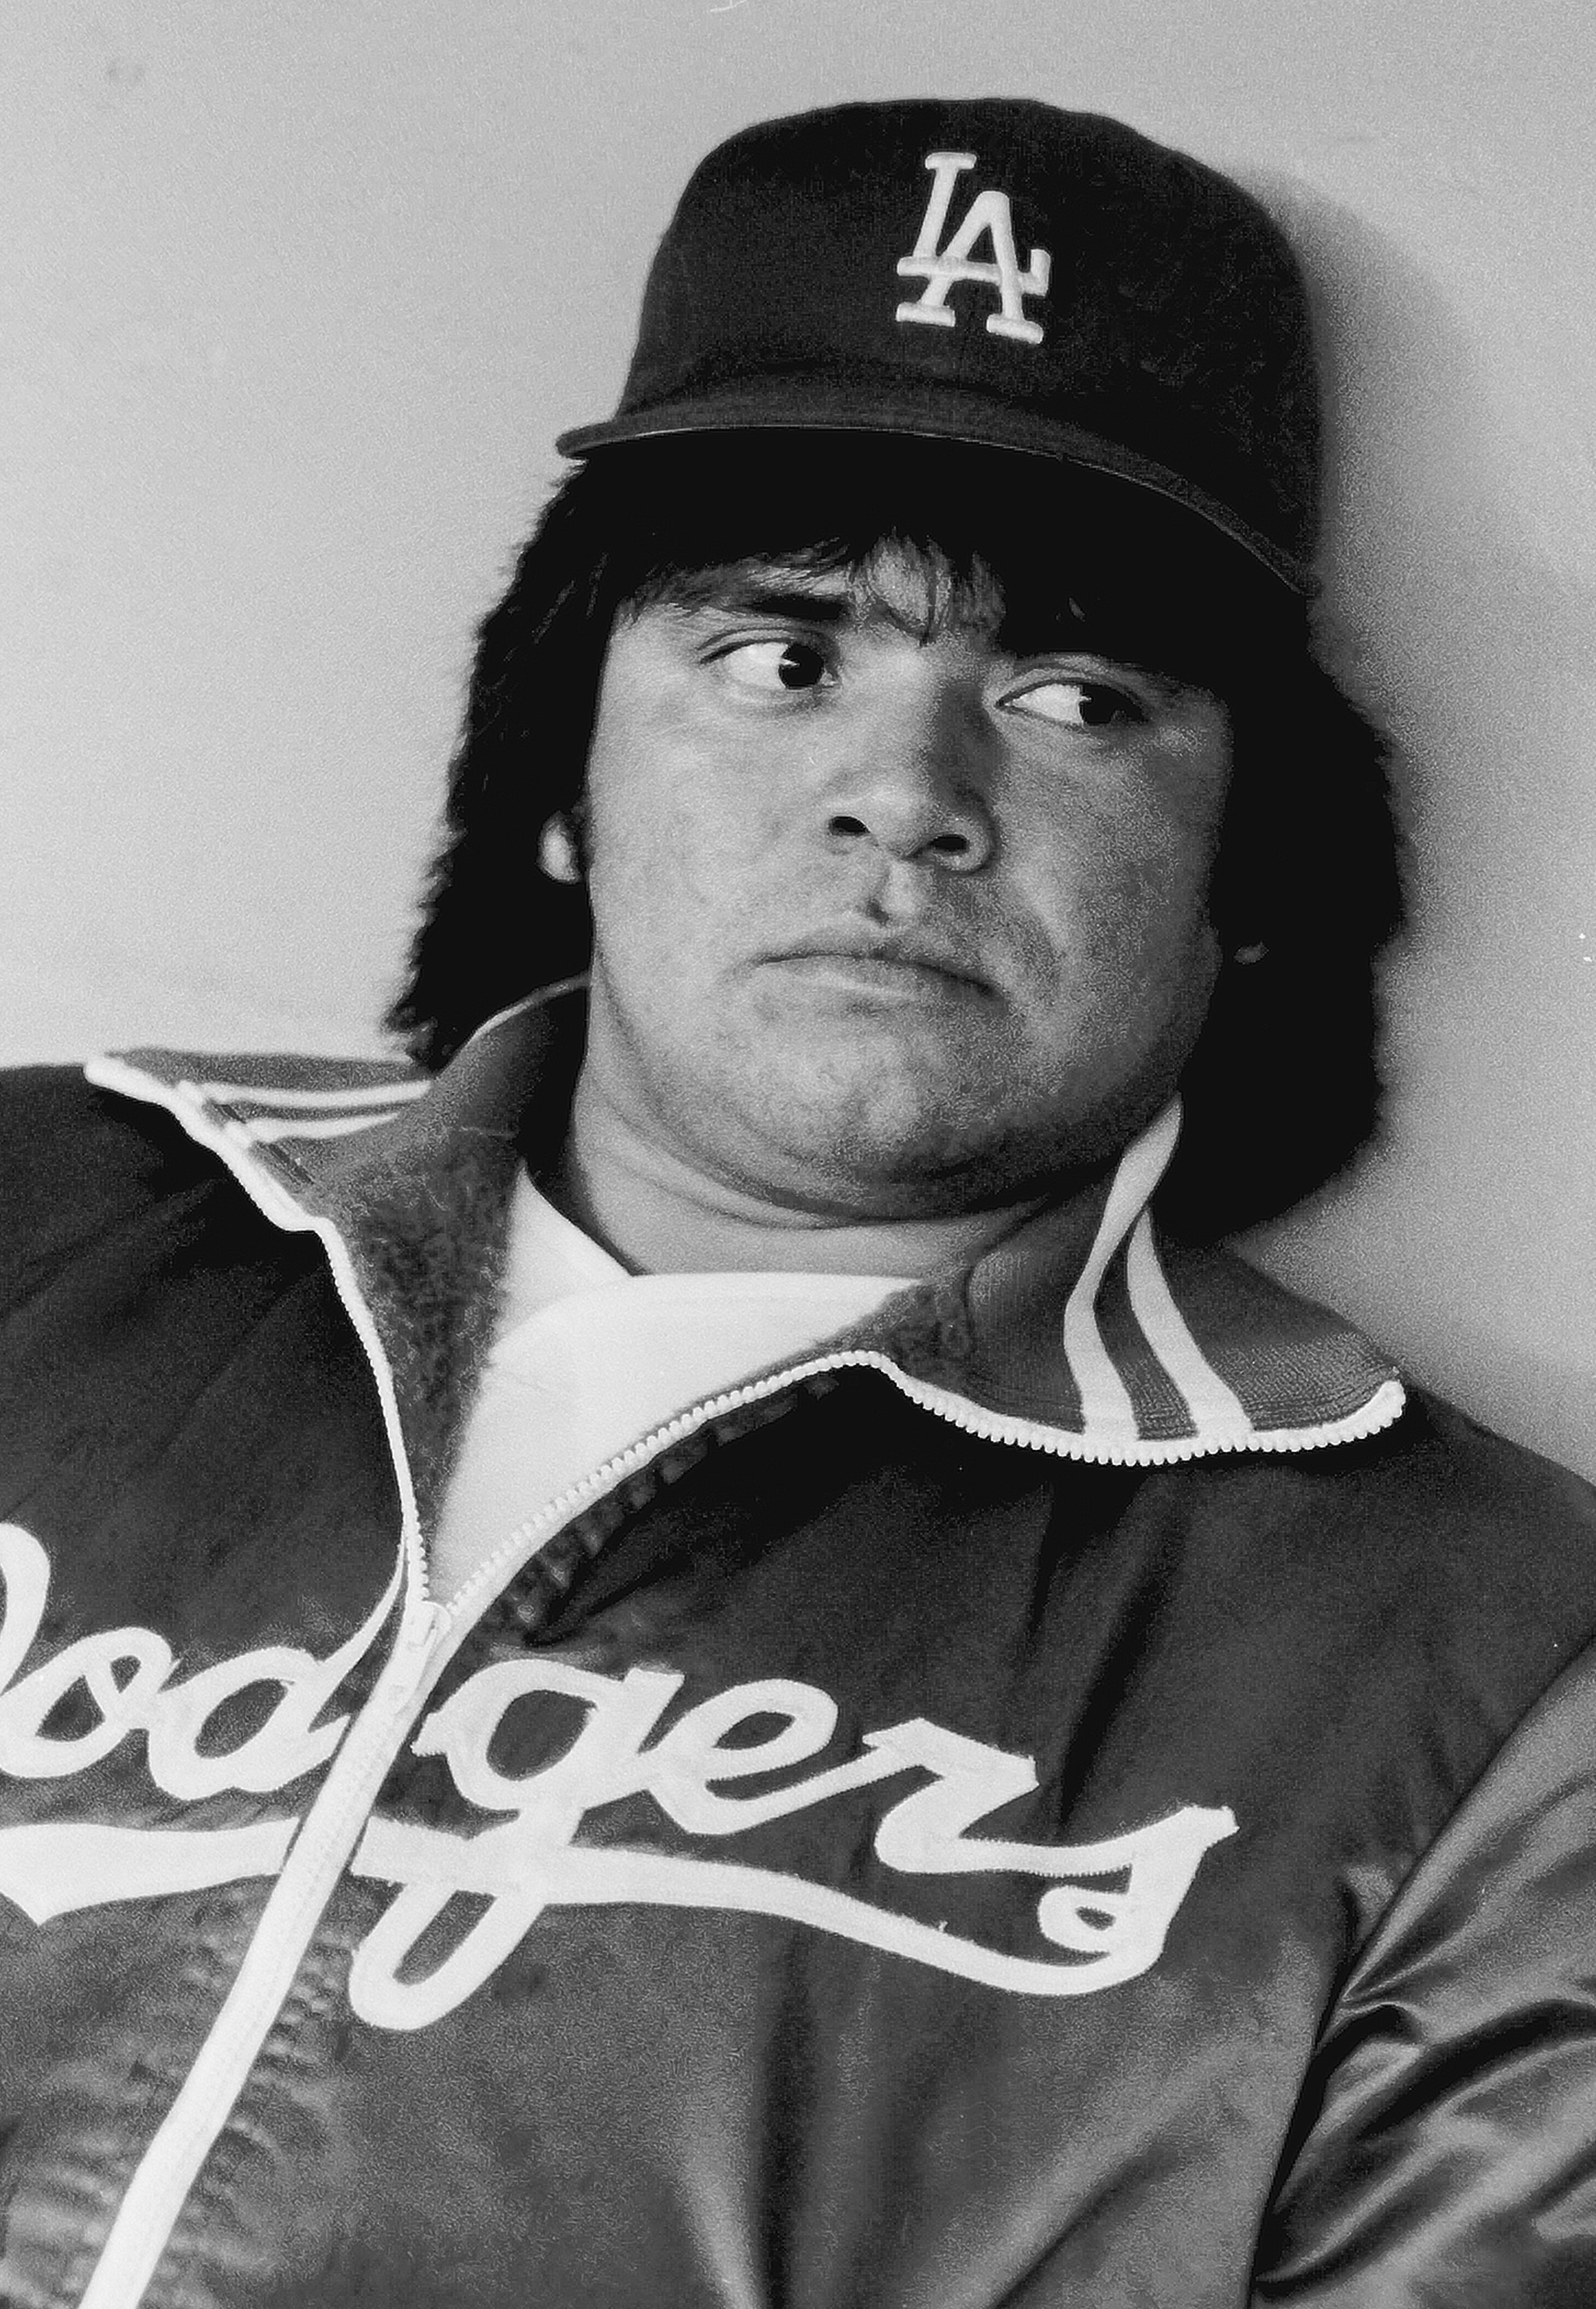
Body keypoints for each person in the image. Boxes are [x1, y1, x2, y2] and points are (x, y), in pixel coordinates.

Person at [2, 94, 1595, 2309]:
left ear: (1249, 883)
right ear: (558, 776)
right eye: (778, 656)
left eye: (1071, 696)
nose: (904, 796)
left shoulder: (1508, 1674)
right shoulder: (30, 1222)